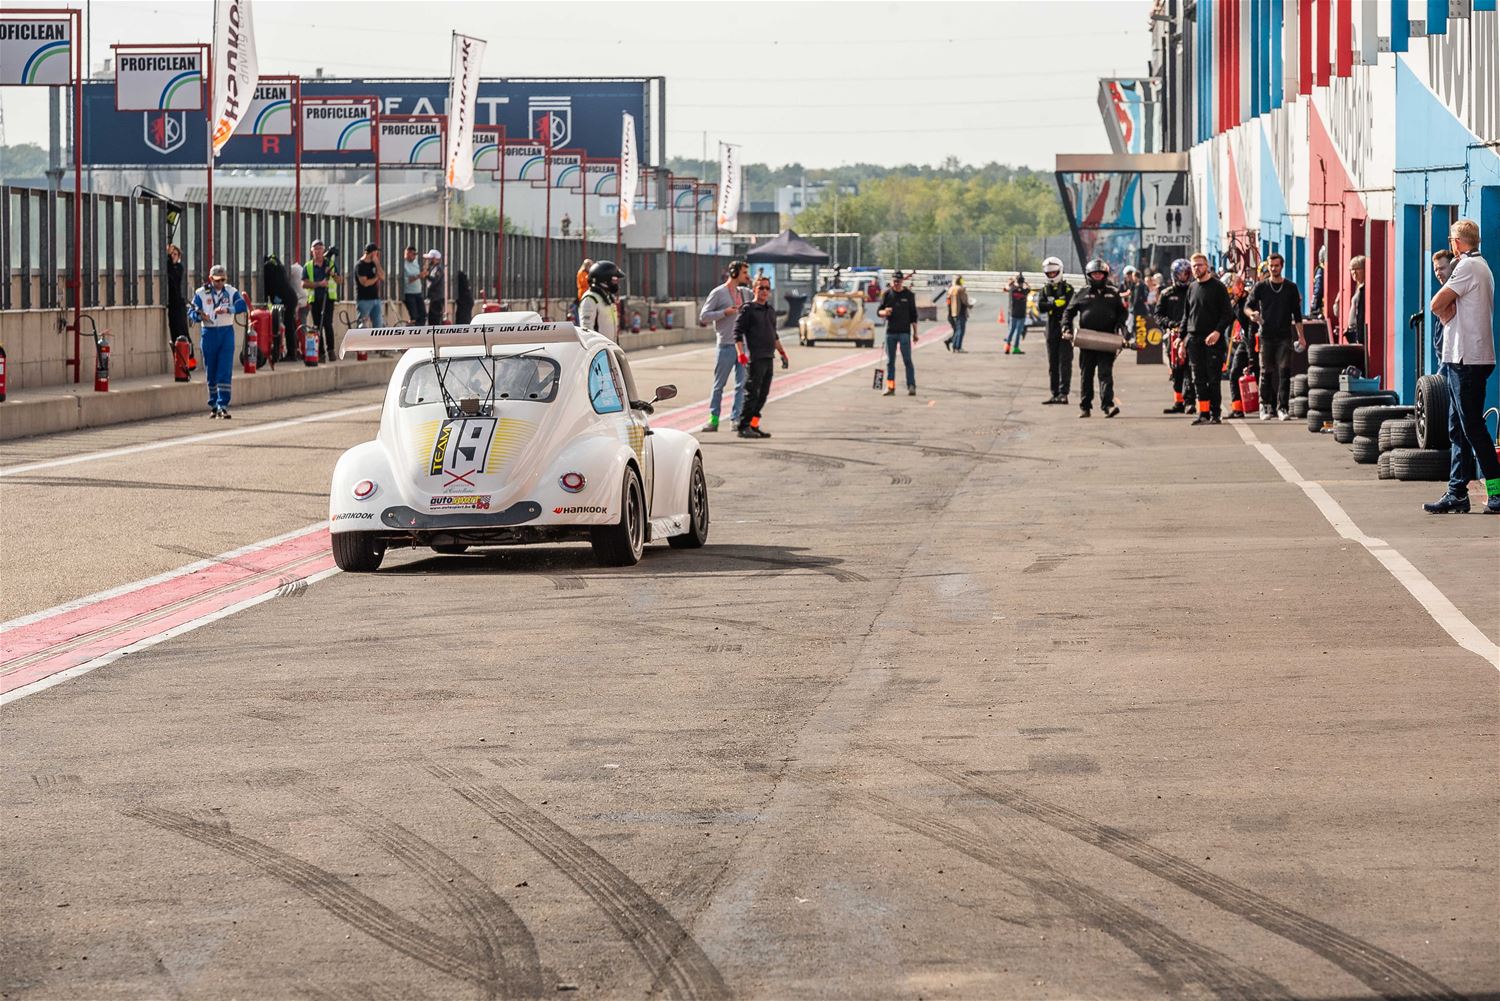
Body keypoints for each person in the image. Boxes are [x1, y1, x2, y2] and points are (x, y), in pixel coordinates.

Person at [1424, 219, 1500, 515]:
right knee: (1457, 427)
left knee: (1472, 428)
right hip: (1464, 358)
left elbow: (1436, 303)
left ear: (1456, 242)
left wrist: (1445, 309)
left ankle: (1496, 490)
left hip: (1467, 359)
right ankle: (1457, 492)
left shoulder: (1467, 266)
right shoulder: (1480, 266)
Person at [1062, 258, 1127, 418]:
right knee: (1086, 374)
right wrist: (1066, 327)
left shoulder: (1113, 293)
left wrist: (1121, 326)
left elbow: (1122, 313)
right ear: (1089, 275)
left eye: (1100, 274)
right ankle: (1085, 407)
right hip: (1087, 340)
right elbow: (1069, 312)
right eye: (1094, 274)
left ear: (1105, 275)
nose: (1097, 276)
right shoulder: (1082, 293)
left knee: (1105, 374)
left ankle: (1108, 405)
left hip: (1107, 340)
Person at [1244, 252, 1304, 420]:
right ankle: (1264, 406)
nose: (1273, 268)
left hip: (1284, 335)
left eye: (1276, 265)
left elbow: (1297, 314)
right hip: (1266, 335)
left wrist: (1301, 336)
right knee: (1265, 372)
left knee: (1284, 372)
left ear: (1282, 266)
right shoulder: (1261, 287)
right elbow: (1247, 306)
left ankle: (1282, 408)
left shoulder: (1291, 288)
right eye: (1271, 266)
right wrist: (1252, 314)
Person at [187, 264, 249, 419]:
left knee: (224, 370)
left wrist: (229, 309)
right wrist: (200, 316)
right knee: (211, 371)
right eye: (217, 280)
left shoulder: (231, 291)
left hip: (226, 333)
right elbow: (191, 311)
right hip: (209, 333)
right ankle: (214, 404)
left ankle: (223, 405)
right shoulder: (201, 293)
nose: (220, 283)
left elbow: (242, 305)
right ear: (210, 279)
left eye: (222, 279)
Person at [732, 276, 790, 438]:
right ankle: (743, 426)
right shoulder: (748, 309)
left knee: (763, 395)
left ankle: (753, 424)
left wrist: (782, 353)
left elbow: (774, 335)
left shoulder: (770, 311)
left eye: (767, 288)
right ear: (754, 290)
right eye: (761, 288)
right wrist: (740, 353)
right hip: (755, 358)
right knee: (752, 393)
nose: (764, 291)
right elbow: (737, 332)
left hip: (768, 357)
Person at [697, 260, 751, 432]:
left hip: (743, 346)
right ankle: (713, 419)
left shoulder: (745, 293)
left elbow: (760, 298)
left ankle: (736, 418)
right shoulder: (718, 293)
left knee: (741, 385)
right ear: (734, 273)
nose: (746, 276)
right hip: (725, 346)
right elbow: (704, 316)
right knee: (719, 385)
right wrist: (724, 313)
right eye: (744, 273)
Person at [1184, 252, 1236, 425]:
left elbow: (1228, 314)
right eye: (1194, 266)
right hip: (1194, 339)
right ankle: (1203, 413)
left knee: (1213, 378)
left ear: (1206, 266)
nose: (1197, 268)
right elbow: (1187, 315)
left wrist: (1217, 332)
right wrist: (1181, 338)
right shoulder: (1191, 288)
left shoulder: (1218, 287)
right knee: (1198, 378)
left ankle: (1215, 413)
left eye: (1200, 265)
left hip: (1213, 340)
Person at [1155, 258, 1196, 414]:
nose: (1184, 277)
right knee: (1176, 369)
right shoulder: (1166, 294)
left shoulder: (1194, 291)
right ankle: (1178, 402)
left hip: (1190, 335)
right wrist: (1170, 324)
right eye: (1181, 274)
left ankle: (1190, 402)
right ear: (1174, 275)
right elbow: (1158, 315)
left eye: (1186, 273)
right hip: (1172, 335)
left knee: (1189, 368)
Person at [1035, 256, 1075, 405]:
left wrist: (1052, 305)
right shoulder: (1045, 289)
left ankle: (1064, 393)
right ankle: (1055, 393)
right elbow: (1041, 306)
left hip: (1066, 327)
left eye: (1054, 272)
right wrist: (1056, 304)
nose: (1052, 275)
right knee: (1053, 363)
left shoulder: (1068, 288)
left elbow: (1070, 306)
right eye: (1049, 273)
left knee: (1065, 362)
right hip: (1051, 328)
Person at [878, 271, 920, 396]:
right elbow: (879, 311)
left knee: (907, 360)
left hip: (904, 332)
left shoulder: (909, 295)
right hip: (890, 332)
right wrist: (884, 312)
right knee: (890, 361)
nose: (896, 284)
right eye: (895, 281)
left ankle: (911, 385)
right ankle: (890, 387)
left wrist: (915, 333)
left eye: (898, 281)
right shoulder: (887, 294)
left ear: (902, 281)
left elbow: (913, 315)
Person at [1226, 271, 1257, 419]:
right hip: (1245, 341)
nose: (1230, 295)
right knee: (1234, 373)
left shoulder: (1249, 303)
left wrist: (1251, 356)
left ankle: (1269, 406)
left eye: (1231, 291)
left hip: (1257, 341)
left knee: (1261, 374)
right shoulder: (1236, 303)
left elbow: (1252, 328)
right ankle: (1237, 408)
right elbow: (1228, 319)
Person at [301, 240, 339, 360]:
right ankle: (320, 352)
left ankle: (331, 350)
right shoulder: (308, 266)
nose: (318, 251)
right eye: (315, 249)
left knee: (328, 324)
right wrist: (319, 284)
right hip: (315, 300)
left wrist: (332, 274)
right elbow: (304, 284)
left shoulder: (330, 263)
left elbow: (340, 280)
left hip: (328, 299)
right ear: (312, 251)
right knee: (317, 326)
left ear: (323, 250)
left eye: (320, 248)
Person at [262, 253, 300, 360]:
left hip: (285, 299)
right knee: (290, 325)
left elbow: (267, 288)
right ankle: (294, 351)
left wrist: (264, 302)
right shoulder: (277, 265)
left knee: (287, 325)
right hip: (290, 297)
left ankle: (291, 354)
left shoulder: (268, 269)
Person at [578, 260, 624, 340]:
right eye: (614, 280)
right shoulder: (590, 299)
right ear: (604, 279)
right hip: (599, 346)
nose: (616, 283)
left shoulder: (607, 297)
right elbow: (587, 330)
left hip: (610, 345)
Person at [354, 243, 385, 329]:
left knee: (378, 325)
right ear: (372, 253)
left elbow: (383, 276)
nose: (377, 254)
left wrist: (377, 263)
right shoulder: (360, 265)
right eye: (376, 252)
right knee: (362, 326)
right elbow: (365, 283)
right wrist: (376, 278)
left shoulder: (374, 264)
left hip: (375, 299)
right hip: (364, 300)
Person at [943, 276, 972, 352]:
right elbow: (964, 301)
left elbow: (948, 301)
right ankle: (958, 347)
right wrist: (970, 305)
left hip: (953, 312)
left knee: (957, 330)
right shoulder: (961, 289)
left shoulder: (951, 289)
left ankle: (955, 347)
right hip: (960, 311)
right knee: (960, 330)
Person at [1343, 255, 1367, 344]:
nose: (1354, 272)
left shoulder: (1364, 288)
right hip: (1352, 332)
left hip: (1359, 333)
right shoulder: (1357, 287)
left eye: (1357, 268)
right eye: (1351, 269)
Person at [401, 246, 427, 325]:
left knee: (423, 314)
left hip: (418, 292)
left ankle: (422, 329)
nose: (414, 256)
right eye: (413, 254)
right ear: (407, 253)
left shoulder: (415, 263)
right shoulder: (403, 265)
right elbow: (405, 281)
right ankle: (414, 329)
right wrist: (418, 276)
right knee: (414, 315)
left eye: (415, 254)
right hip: (409, 293)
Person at [1004, 273, 1029, 354]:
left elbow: (1007, 286)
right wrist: (1026, 283)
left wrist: (1013, 281)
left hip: (1013, 313)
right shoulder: (1025, 291)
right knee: (1018, 332)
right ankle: (1016, 348)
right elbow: (1029, 288)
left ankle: (1007, 346)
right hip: (1021, 314)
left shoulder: (1012, 289)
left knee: (1011, 330)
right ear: (1022, 282)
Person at [424, 250, 445, 326]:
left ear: (435, 259)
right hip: (433, 297)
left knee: (435, 318)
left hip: (437, 298)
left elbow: (435, 280)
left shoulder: (438, 269)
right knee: (431, 317)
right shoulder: (432, 268)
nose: (429, 260)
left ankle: (435, 331)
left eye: (430, 258)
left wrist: (427, 276)